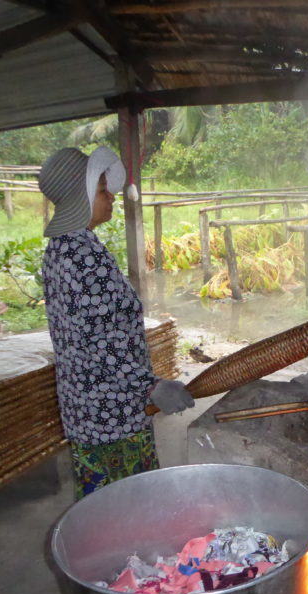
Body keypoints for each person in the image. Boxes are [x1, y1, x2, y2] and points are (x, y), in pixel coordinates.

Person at [38, 147, 194, 499]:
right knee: (125, 504)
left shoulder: (67, 248)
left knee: (109, 506)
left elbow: (94, 333)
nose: (111, 198)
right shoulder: (80, 257)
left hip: (91, 406)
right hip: (110, 413)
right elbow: (101, 343)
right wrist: (150, 386)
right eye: (102, 191)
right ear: (80, 197)